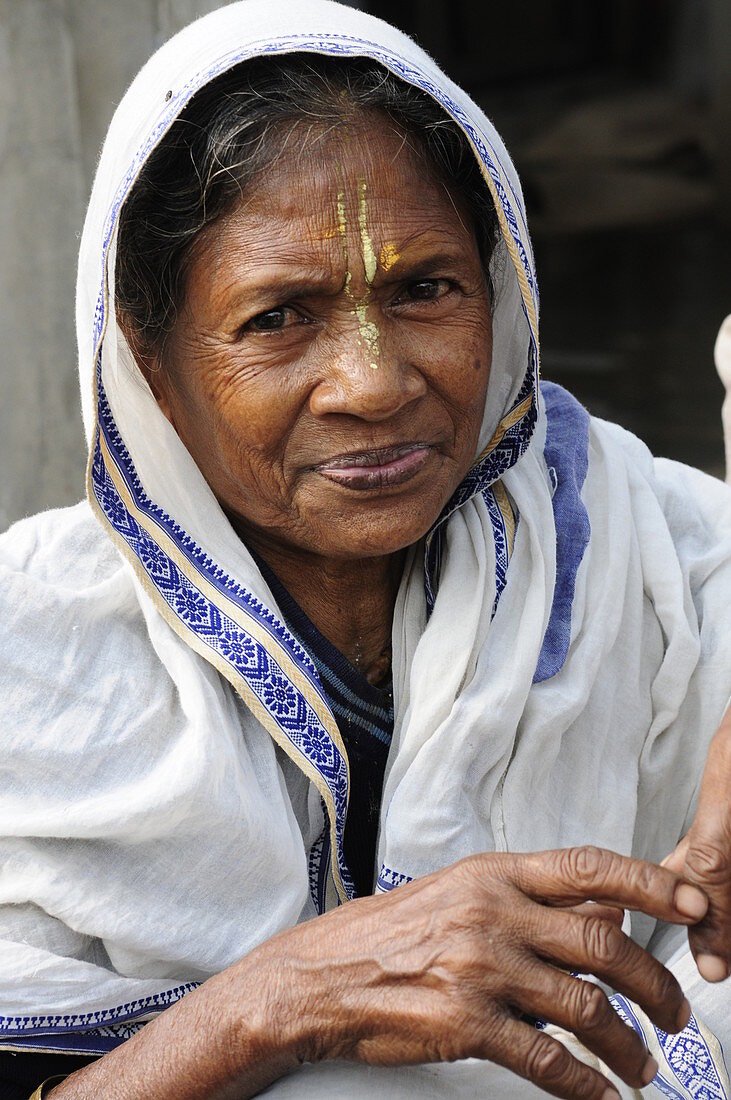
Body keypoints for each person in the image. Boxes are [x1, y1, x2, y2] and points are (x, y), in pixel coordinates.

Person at [0, 2, 728, 1098]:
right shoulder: (32, 670)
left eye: (426, 288)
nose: (374, 382)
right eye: (280, 315)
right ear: (148, 365)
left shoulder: (661, 558)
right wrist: (278, 1002)